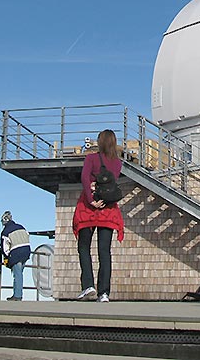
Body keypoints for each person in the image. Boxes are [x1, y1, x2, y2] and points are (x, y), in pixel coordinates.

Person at [72, 129, 124, 303]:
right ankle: (104, 293)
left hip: (88, 207)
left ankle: (88, 285)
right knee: (104, 251)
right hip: (108, 208)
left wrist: (90, 198)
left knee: (84, 247)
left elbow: (85, 178)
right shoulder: (117, 163)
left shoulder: (91, 158)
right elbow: (111, 183)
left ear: (100, 141)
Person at [1, 211, 30, 301]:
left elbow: (4, 247)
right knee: (20, 273)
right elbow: (27, 236)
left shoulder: (5, 231)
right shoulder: (21, 227)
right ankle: (18, 293)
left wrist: (6, 259)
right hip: (26, 250)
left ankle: (17, 295)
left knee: (17, 274)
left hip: (16, 252)